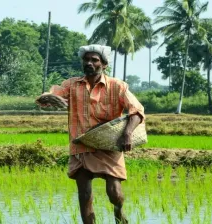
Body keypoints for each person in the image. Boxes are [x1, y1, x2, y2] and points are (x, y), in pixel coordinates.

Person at [36, 44, 145, 224]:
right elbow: (48, 96)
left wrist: (127, 134)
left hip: (108, 144)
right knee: (84, 194)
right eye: (86, 60)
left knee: (115, 193)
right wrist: (47, 97)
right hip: (81, 144)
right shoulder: (72, 85)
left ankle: (119, 215)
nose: (89, 63)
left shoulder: (117, 86)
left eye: (94, 60)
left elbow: (137, 111)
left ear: (103, 64)